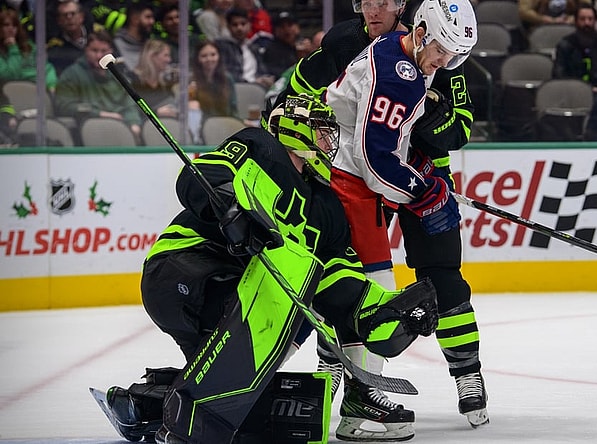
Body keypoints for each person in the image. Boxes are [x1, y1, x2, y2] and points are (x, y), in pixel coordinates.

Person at [99, 94, 439, 444]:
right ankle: (191, 428)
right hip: (187, 266)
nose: (328, 141)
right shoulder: (259, 148)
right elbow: (196, 178)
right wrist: (230, 206)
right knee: (275, 300)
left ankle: (145, 406)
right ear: (296, 128)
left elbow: (336, 279)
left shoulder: (327, 208)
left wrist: (382, 312)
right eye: (322, 131)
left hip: (229, 294)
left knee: (237, 399)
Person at [277, 0, 483, 438]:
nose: (374, 8)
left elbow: (456, 128)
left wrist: (423, 163)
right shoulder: (391, 65)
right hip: (367, 182)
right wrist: (424, 189)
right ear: (424, 30)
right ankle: (353, 392)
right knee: (368, 294)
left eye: (385, 1)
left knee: (433, 278)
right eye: (367, 0)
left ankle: (464, 374)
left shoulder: (411, 52)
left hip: (389, 175)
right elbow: (373, 154)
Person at [55, 30, 142, 141]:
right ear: (86, 50)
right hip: (85, 134)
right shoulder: (71, 75)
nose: (99, 56)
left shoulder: (119, 76)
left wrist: (133, 123)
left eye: (104, 51)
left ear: (111, 51)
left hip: (121, 133)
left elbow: (130, 105)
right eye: (94, 50)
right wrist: (100, 114)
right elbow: (64, 106)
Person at [552, 3, 597, 93]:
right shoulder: (565, 45)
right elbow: (559, 74)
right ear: (575, 21)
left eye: (590, 19)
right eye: (582, 19)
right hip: (571, 92)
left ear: (595, 21)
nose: (587, 23)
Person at [188, 40, 239, 141]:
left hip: (225, 129)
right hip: (200, 133)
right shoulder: (191, 80)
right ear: (197, 59)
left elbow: (233, 109)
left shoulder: (227, 79)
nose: (209, 59)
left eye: (213, 55)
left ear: (219, 56)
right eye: (204, 56)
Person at [0, 8, 57, 92]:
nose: (11, 29)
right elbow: (11, 75)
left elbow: (46, 68)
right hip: (8, 95)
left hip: (37, 92)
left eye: (14, 25)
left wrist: (51, 84)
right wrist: (13, 48)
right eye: (6, 25)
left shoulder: (29, 46)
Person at [215, 8, 274, 88]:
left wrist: (267, 79)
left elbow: (262, 71)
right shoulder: (222, 46)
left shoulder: (254, 47)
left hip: (259, 88)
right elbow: (226, 75)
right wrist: (252, 82)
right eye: (235, 25)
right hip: (237, 88)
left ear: (249, 25)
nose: (239, 28)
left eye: (243, 24)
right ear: (228, 27)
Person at [130, 39, 178, 119]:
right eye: (166, 55)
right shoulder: (134, 82)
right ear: (152, 56)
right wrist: (156, 112)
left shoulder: (165, 85)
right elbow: (131, 112)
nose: (169, 60)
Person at [46, 0, 90, 75]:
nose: (69, 18)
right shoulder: (55, 49)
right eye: (65, 15)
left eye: (72, 14)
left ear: (81, 16)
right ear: (59, 20)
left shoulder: (97, 36)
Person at [113, 3, 156, 74]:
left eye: (152, 17)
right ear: (134, 18)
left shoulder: (150, 45)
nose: (152, 21)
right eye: (148, 17)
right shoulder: (115, 45)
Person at [261, 11, 302, 78]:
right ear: (275, 30)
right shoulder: (271, 50)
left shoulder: (304, 45)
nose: (286, 30)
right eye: (282, 27)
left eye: (290, 25)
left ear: (298, 27)